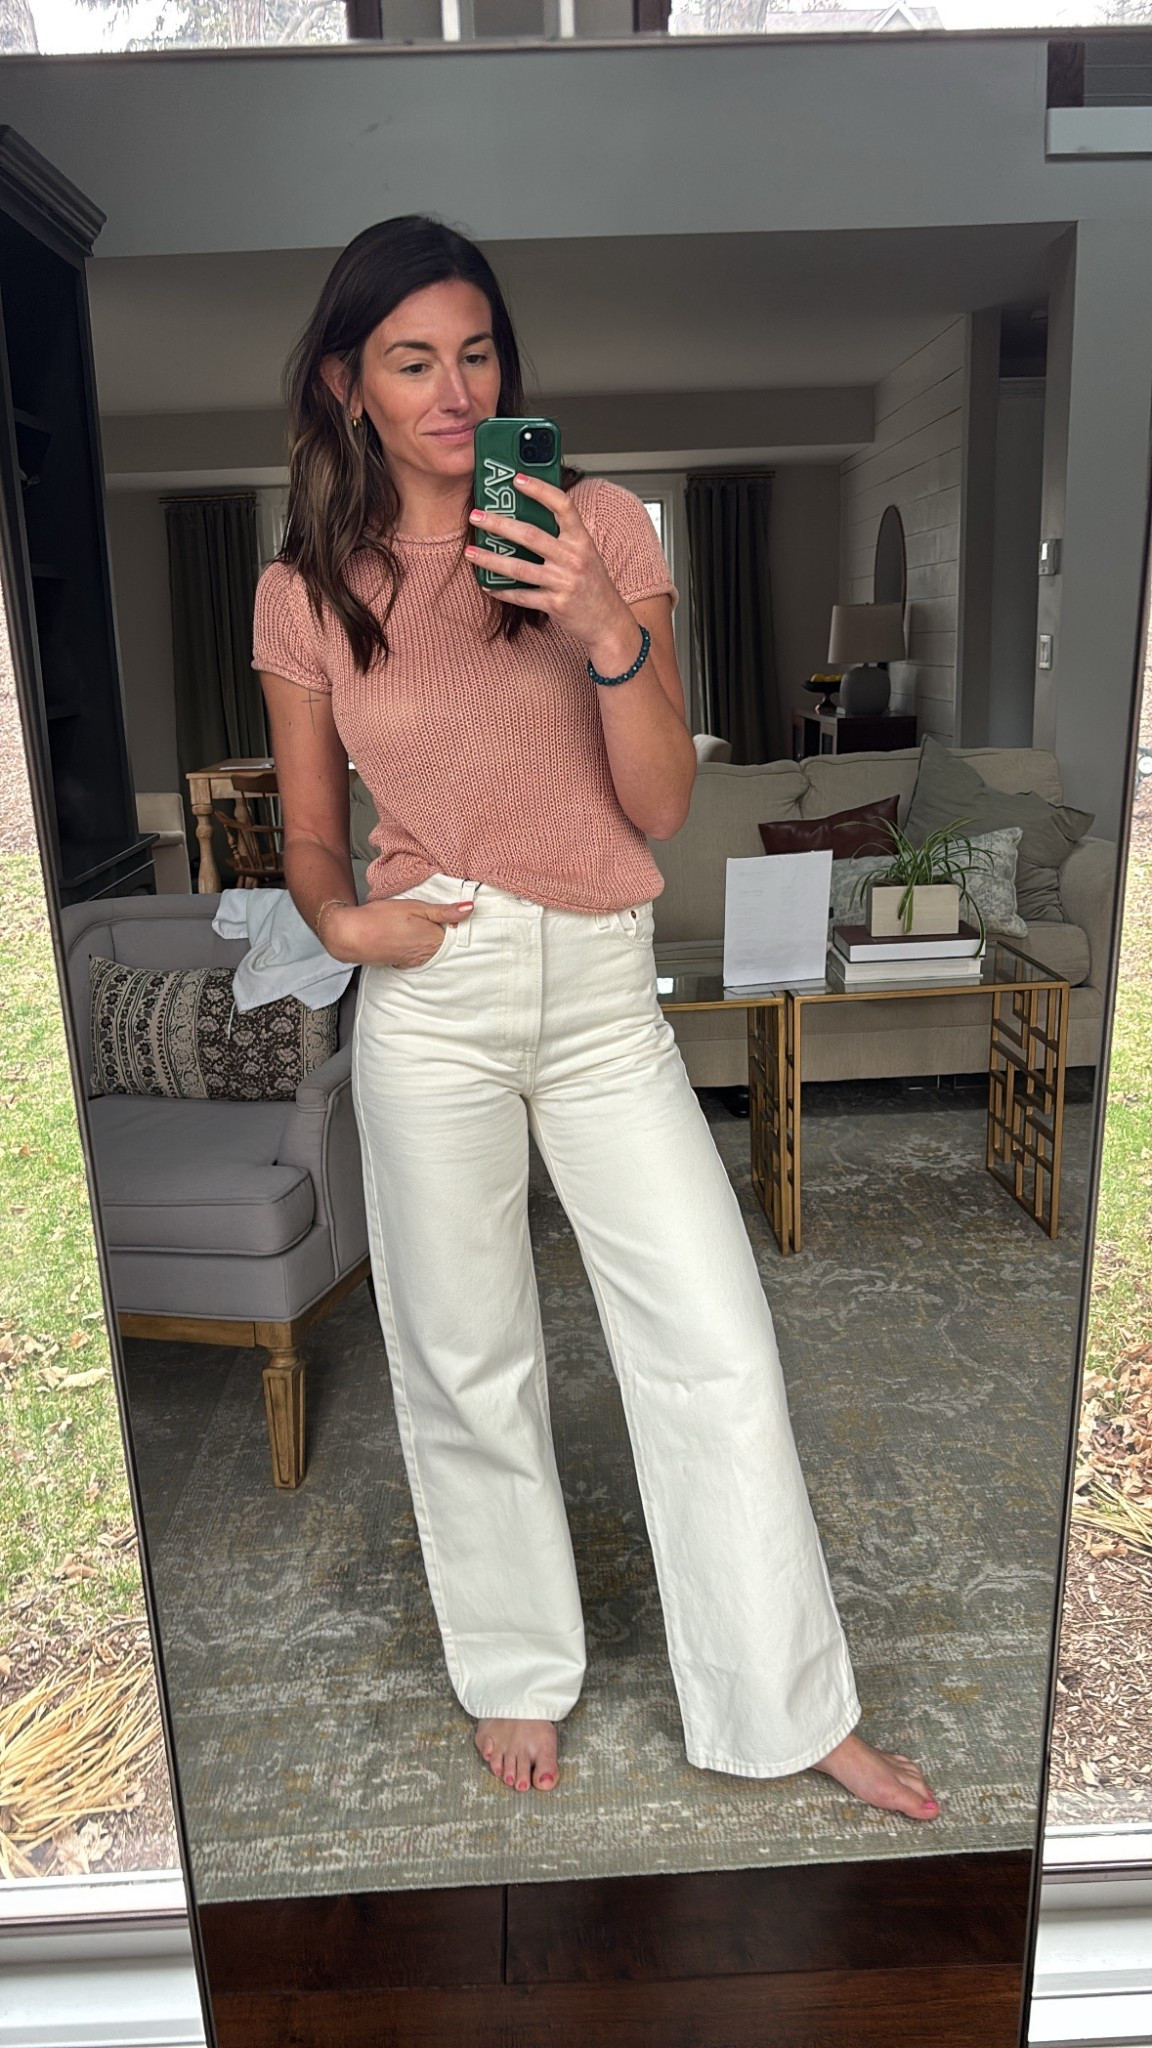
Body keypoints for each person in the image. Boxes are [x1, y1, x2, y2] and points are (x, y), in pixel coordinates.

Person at [252, 214, 937, 1820]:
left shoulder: (604, 524)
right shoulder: (307, 592)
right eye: (412, 361)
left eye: (476, 353)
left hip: (604, 992)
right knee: (467, 1353)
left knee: (715, 1342)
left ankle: (785, 1703)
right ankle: (515, 1665)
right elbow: (307, 833)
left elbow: (661, 803)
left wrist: (603, 628)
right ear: (349, 385)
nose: (454, 391)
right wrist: (343, 923)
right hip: (436, 990)